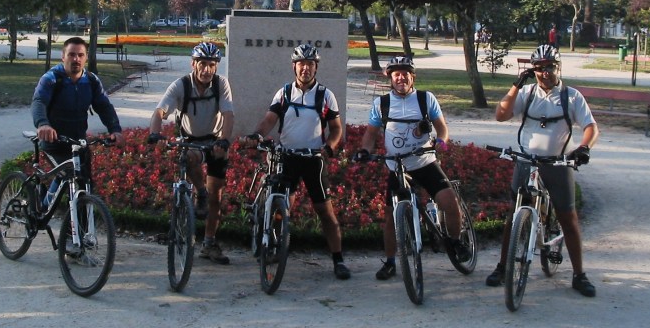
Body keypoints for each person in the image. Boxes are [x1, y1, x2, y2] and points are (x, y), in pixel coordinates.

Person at [488, 43, 600, 297]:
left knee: (568, 217)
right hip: (527, 161)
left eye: (548, 67)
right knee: (514, 216)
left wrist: (584, 148)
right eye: (538, 68)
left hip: (557, 164)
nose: (544, 73)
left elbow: (591, 127)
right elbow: (501, 115)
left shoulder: (571, 96)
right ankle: (502, 266)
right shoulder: (526, 93)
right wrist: (517, 84)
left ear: (557, 67)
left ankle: (579, 274)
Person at [357, 56, 471, 281]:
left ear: (413, 76)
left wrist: (441, 141)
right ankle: (390, 262)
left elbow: (442, 128)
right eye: (396, 74)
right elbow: (371, 134)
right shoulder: (381, 103)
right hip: (397, 166)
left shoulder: (425, 99)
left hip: (424, 162)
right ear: (390, 78)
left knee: (449, 201)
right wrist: (364, 150)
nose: (401, 77)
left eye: (405, 73)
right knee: (391, 217)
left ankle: (456, 242)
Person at [244, 44, 351, 279]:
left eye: (310, 64)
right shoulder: (284, 93)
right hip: (287, 157)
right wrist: (258, 135)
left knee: (325, 211)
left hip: (313, 159)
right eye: (301, 64)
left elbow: (336, 129)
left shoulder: (325, 95)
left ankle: (338, 259)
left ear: (316, 67)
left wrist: (330, 147)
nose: (305, 68)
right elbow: (269, 119)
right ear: (294, 67)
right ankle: (274, 246)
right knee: (283, 206)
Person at [148, 42, 235, 265]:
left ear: (216, 67)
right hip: (190, 140)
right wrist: (155, 134)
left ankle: (209, 242)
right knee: (189, 157)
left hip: (214, 140)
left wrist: (224, 141)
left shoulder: (221, 84)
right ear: (193, 64)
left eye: (211, 65)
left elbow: (228, 114)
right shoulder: (181, 85)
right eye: (203, 64)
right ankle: (200, 193)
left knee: (216, 196)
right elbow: (159, 111)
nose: (207, 70)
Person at [31, 37, 125, 204]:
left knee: (84, 187)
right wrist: (43, 124)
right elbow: (39, 102)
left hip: (78, 143)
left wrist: (115, 129)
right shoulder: (51, 78)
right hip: (55, 143)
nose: (76, 59)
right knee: (67, 174)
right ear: (63, 56)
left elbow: (104, 106)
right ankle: (43, 205)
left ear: (86, 57)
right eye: (72, 54)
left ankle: (77, 229)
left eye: (81, 55)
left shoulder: (91, 81)